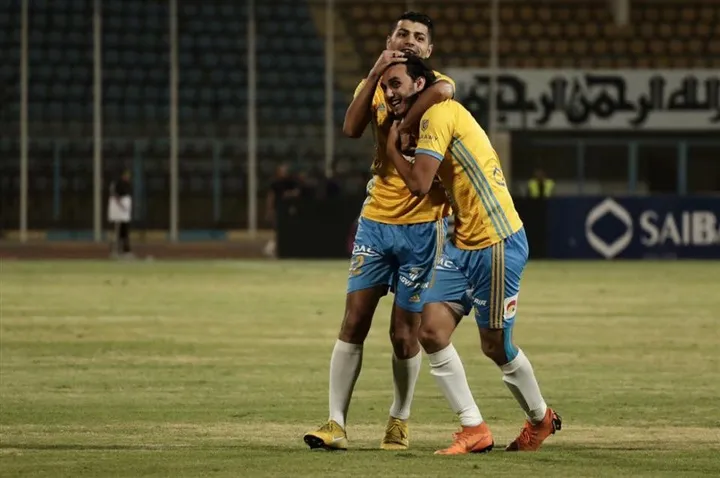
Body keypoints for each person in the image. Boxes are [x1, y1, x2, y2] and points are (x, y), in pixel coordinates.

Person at [383, 56, 562, 454]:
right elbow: (436, 186)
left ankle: (540, 418)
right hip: (463, 242)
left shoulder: (439, 114)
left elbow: (418, 185)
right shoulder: (431, 118)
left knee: (495, 346)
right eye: (385, 87)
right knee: (431, 332)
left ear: (419, 85)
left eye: (395, 84)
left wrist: (393, 148)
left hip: (495, 242)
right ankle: (474, 428)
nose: (389, 93)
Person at [303, 12, 455, 451]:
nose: (409, 40)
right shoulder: (376, 87)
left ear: (428, 50)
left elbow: (445, 89)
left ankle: (399, 419)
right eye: (402, 33)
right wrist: (373, 73)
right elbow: (351, 129)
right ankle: (335, 424)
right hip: (376, 223)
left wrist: (402, 126)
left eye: (419, 37)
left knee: (404, 334)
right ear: (389, 40)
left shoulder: (435, 86)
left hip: (423, 227)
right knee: (353, 320)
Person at [264, 164, 301, 257]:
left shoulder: (292, 182)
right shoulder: (275, 183)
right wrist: (269, 210)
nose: (284, 172)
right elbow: (271, 197)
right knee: (278, 230)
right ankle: (271, 247)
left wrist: (291, 194)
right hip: (278, 209)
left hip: (291, 209)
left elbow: (298, 192)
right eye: (282, 170)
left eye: (286, 170)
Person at [108, 169, 133, 258]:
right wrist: (121, 205)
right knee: (117, 230)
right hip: (118, 211)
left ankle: (125, 251)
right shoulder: (117, 184)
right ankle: (115, 251)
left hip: (124, 212)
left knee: (124, 231)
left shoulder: (128, 185)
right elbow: (115, 195)